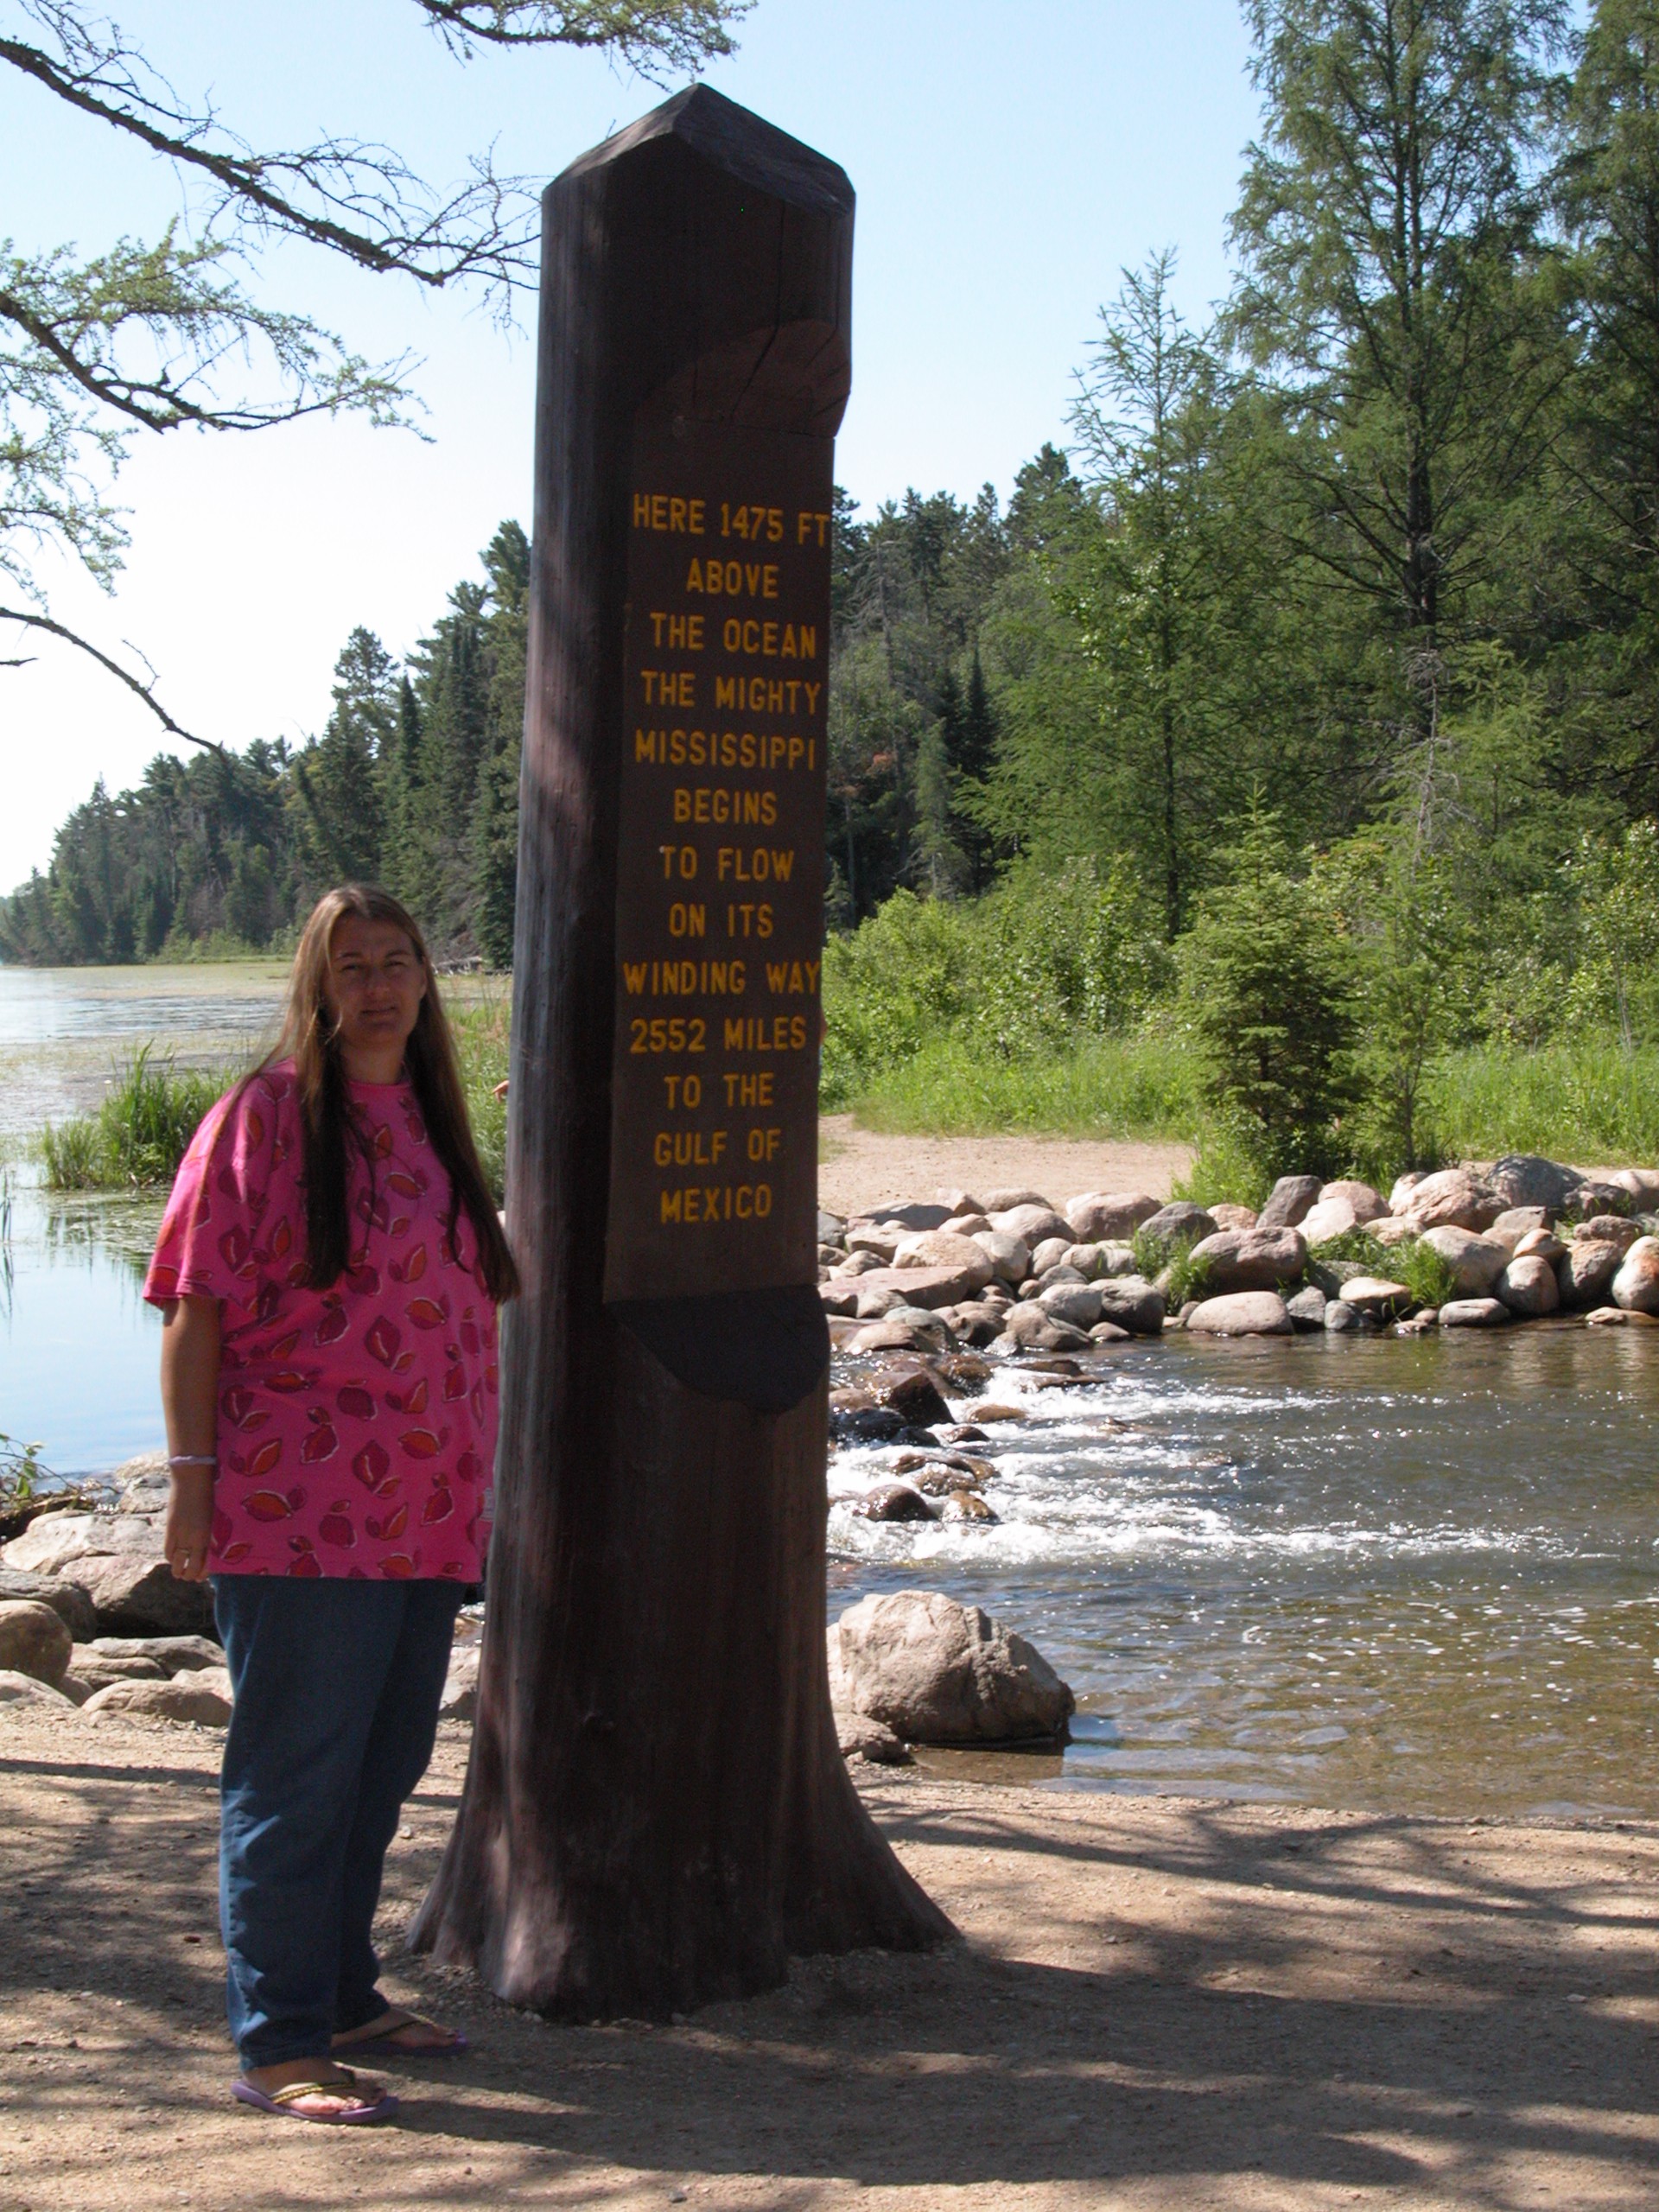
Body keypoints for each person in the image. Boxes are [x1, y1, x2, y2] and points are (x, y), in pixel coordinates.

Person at [145, 884, 518, 2125]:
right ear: (316, 985)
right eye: (351, 965)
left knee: (381, 1766)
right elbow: (195, 1311)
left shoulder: (430, 1115)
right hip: (298, 1515)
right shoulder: (260, 1120)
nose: (377, 985)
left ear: (425, 981)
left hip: (423, 1512)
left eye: (397, 962)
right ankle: (279, 2042)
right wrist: (191, 1484)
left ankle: (346, 1995)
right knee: (296, 1780)